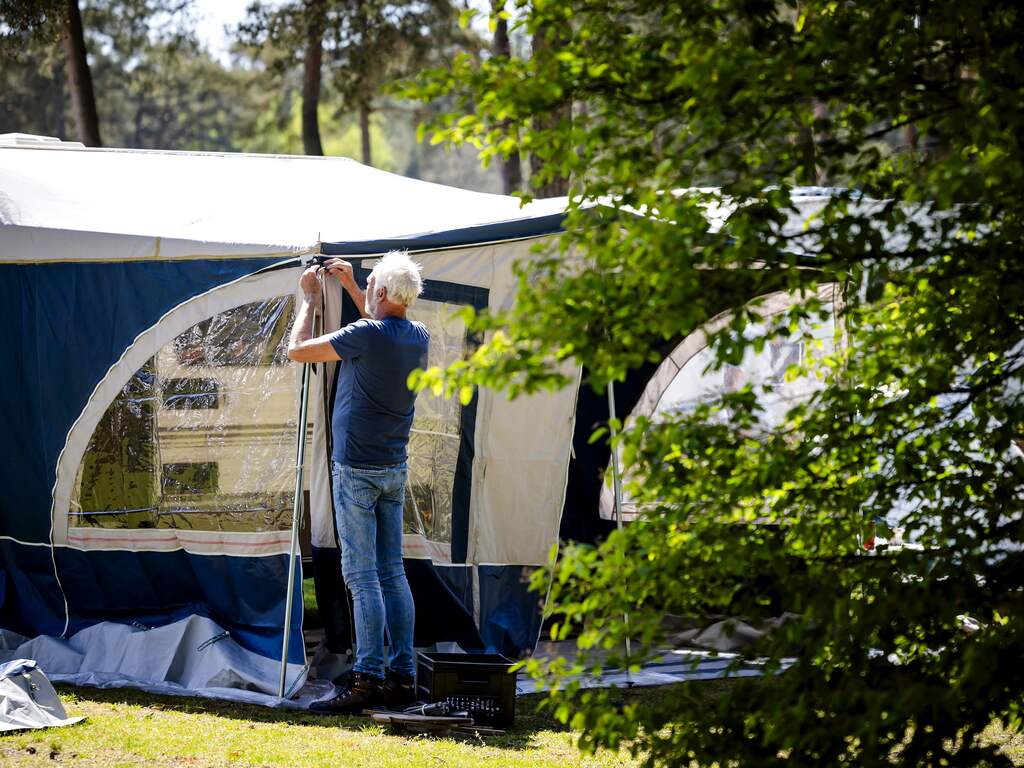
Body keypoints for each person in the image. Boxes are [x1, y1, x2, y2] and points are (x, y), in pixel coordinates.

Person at [288, 251, 429, 713]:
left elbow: (297, 350)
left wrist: (309, 300)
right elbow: (377, 325)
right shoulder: (417, 336)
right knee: (393, 574)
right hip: (393, 467)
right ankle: (402, 677)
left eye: (371, 286)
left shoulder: (365, 335)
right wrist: (352, 286)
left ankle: (367, 679)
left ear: (383, 292)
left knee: (362, 577)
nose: (366, 288)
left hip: (356, 470)